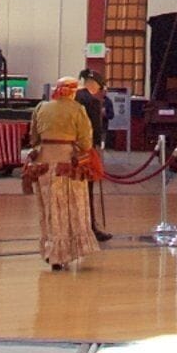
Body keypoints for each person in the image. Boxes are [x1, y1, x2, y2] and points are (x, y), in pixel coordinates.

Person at [28, 78, 98, 272]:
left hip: (43, 163)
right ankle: (69, 251)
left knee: (49, 210)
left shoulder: (41, 107)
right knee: (70, 209)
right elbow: (86, 142)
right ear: (73, 91)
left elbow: (33, 137)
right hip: (68, 164)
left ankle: (53, 253)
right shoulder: (77, 110)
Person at [74, 71, 114, 243]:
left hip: (66, 153)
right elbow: (95, 131)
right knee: (87, 190)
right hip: (84, 152)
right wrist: (96, 149)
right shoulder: (92, 102)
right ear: (94, 84)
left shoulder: (73, 98)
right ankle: (90, 228)